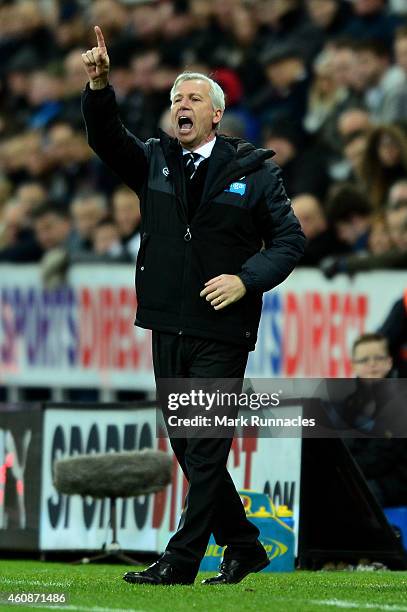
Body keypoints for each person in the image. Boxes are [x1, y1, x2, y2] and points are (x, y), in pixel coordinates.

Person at [81, 26, 305, 587]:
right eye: (175, 97)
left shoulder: (253, 171)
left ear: (216, 115)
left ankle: (180, 560)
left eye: (193, 98)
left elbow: (289, 241)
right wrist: (100, 83)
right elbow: (107, 138)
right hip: (166, 324)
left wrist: (246, 280)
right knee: (190, 447)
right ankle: (246, 545)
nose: (181, 104)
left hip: (222, 329)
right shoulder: (153, 160)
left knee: (204, 448)